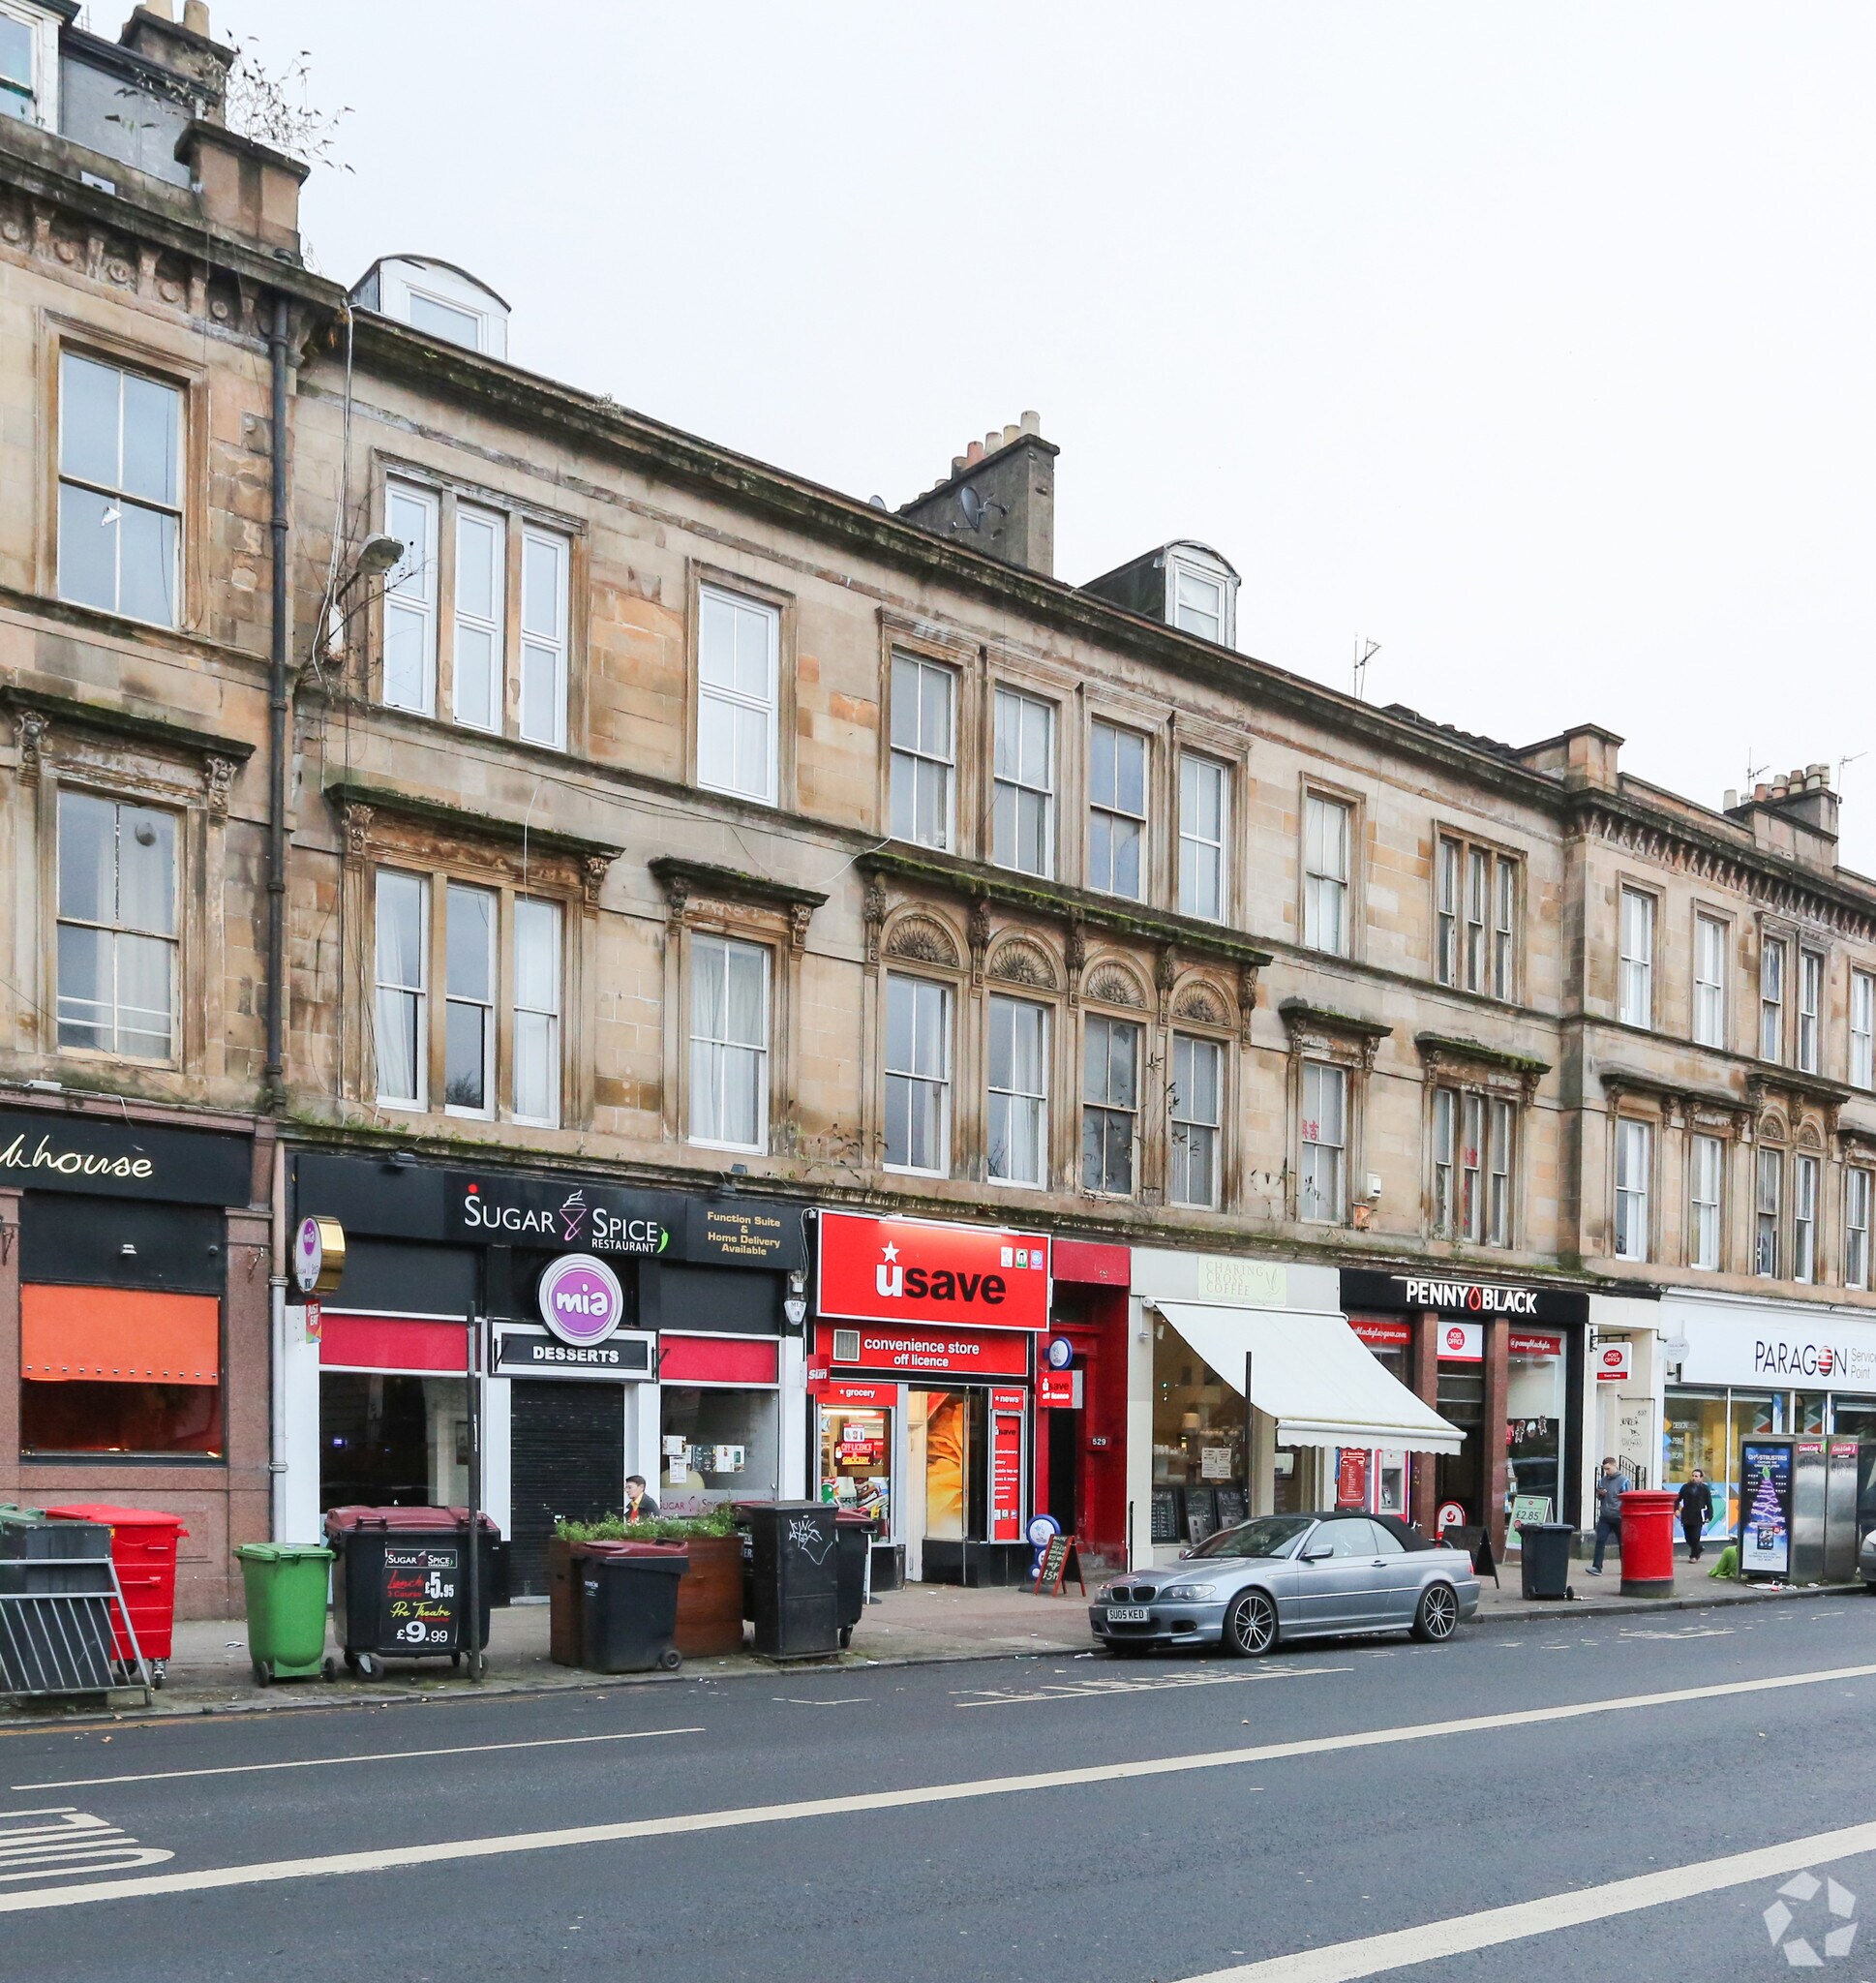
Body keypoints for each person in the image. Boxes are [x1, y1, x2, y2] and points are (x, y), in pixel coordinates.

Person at [1587, 1455, 1630, 1574]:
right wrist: (1600, 1494)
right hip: (1605, 1516)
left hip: (1619, 1516)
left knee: (1622, 1543)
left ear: (1614, 1466)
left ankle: (1626, 1568)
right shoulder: (1602, 1480)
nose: (1607, 1472)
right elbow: (1599, 1496)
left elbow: (1628, 1498)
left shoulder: (1624, 1481)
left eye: (1608, 1469)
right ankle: (1597, 1567)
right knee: (1600, 1540)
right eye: (1605, 1469)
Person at [1676, 1468, 1714, 1563]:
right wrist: (1676, 1509)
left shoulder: (1705, 1489)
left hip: (1698, 1515)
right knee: (1688, 1537)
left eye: (1696, 1476)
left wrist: (1709, 1515)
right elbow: (1677, 1499)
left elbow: (1709, 1503)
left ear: (1701, 1478)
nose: (1694, 1478)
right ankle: (1699, 1548)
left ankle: (1694, 1556)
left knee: (1695, 1537)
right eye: (1693, 1476)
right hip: (1687, 1515)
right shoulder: (1685, 1487)